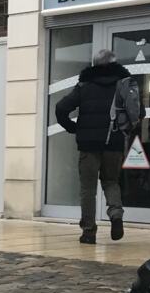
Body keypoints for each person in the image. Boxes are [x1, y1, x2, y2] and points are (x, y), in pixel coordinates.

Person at [54, 50, 142, 245]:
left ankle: (88, 232)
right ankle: (116, 215)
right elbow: (139, 112)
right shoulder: (124, 83)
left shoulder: (85, 85)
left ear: (94, 64)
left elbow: (61, 108)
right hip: (114, 143)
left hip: (88, 144)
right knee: (111, 181)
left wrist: (73, 128)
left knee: (88, 189)